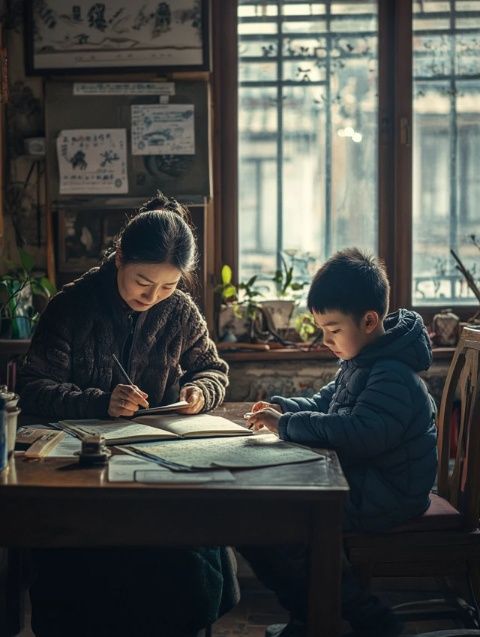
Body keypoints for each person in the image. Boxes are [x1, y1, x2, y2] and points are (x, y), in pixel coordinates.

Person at [17, 191, 238, 637]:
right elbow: (34, 386)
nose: (153, 296)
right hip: (79, 467)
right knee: (87, 573)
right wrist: (101, 402)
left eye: (168, 286)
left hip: (158, 459)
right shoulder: (71, 306)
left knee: (182, 560)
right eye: (143, 282)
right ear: (119, 257)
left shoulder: (179, 312)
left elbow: (213, 369)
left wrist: (200, 391)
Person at [242, 247, 438, 637]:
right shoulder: (361, 361)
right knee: (266, 522)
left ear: (369, 320)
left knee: (277, 525)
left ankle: (361, 617)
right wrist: (282, 408)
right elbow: (324, 403)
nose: (326, 340)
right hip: (366, 481)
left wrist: (288, 425)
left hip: (388, 492)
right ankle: (314, 612)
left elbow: (360, 434)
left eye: (333, 330)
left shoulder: (393, 374)